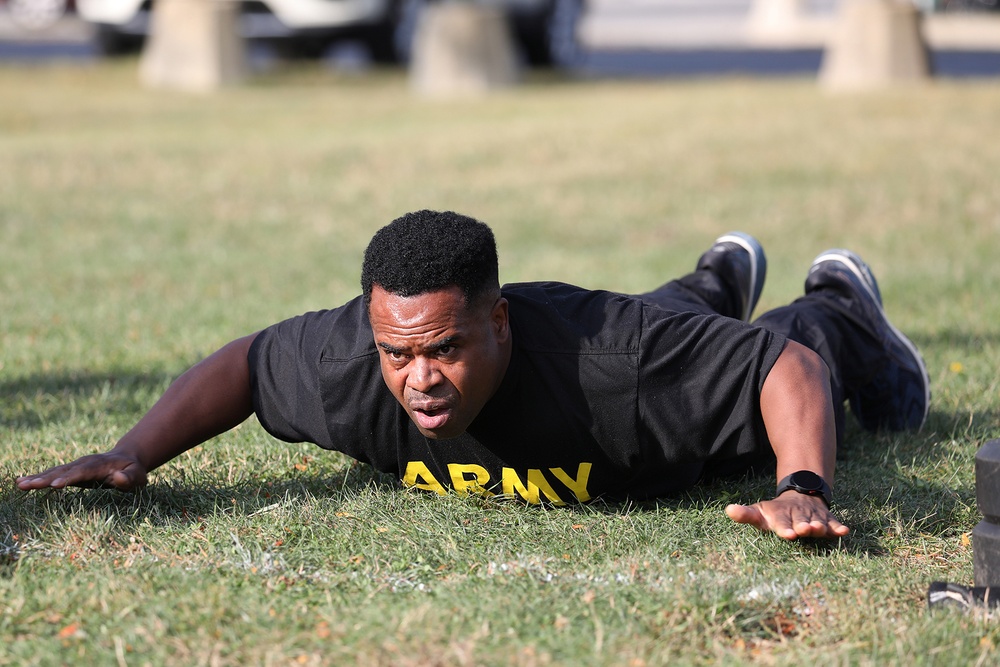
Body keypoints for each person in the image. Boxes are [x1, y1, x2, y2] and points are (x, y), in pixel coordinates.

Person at [16, 210, 930, 541]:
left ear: (498, 323)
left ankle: (837, 299)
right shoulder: (350, 363)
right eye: (398, 352)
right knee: (676, 321)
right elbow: (250, 364)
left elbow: (783, 366)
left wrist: (802, 483)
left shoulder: (615, 364)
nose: (417, 378)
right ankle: (711, 278)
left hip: (656, 391)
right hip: (640, 335)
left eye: (442, 349)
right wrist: (133, 450)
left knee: (772, 341)